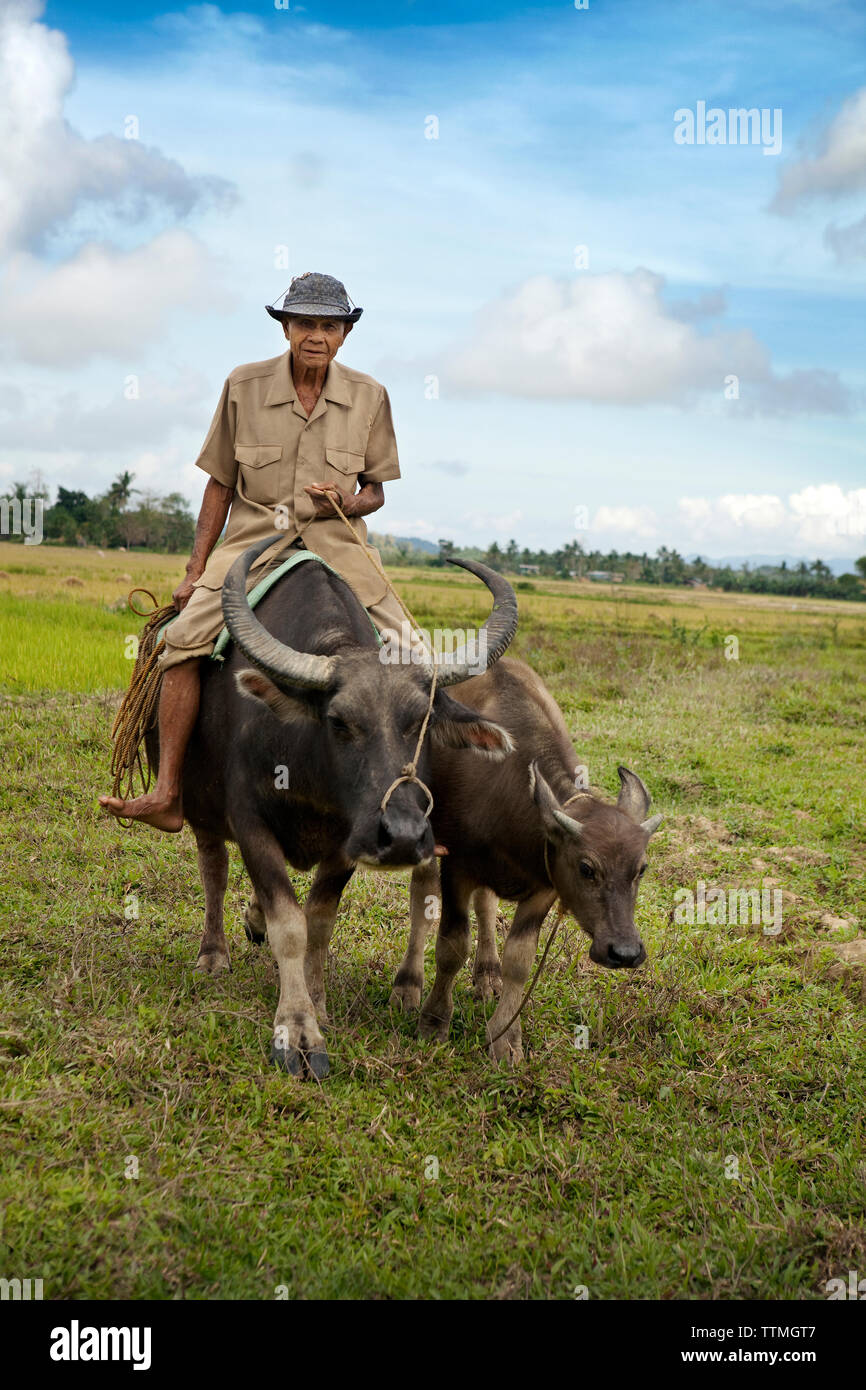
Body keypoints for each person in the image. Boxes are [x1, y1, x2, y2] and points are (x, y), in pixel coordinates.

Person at [100, 271, 409, 830]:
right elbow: (219, 483)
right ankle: (170, 791)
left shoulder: (370, 396)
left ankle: (413, 806)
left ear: (345, 334)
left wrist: (348, 499)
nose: (316, 335)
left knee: (412, 655)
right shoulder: (243, 385)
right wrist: (195, 571)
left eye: (329, 325)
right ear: (286, 328)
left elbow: (377, 491)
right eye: (305, 323)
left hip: (339, 543)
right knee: (181, 641)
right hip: (250, 542)